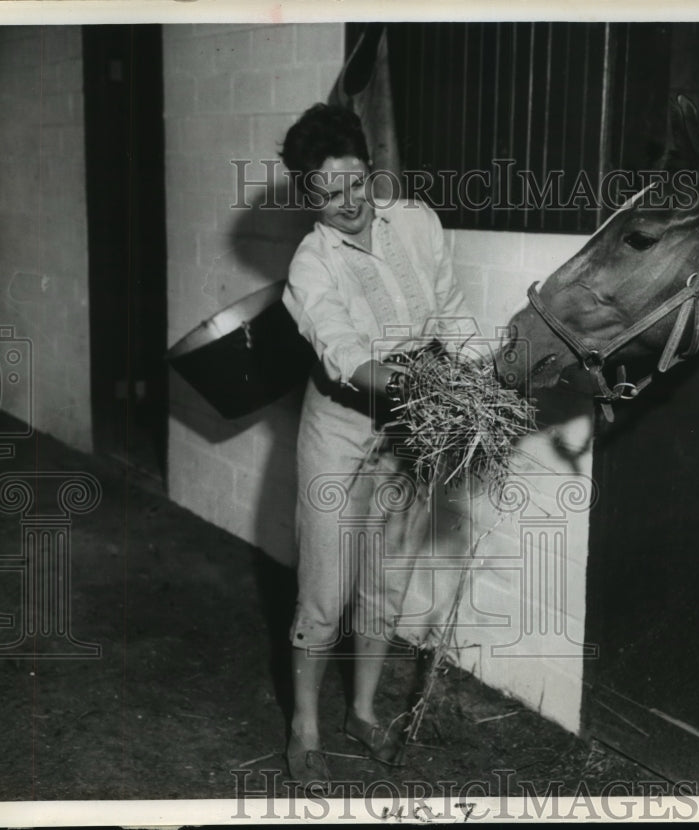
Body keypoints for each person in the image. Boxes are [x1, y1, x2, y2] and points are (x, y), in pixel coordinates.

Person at [279, 103, 474, 789]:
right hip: (340, 425)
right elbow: (348, 356)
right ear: (308, 195)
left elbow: (449, 311)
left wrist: (468, 372)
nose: (348, 204)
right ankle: (304, 727)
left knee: (386, 579)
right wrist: (431, 389)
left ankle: (361, 710)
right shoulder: (309, 267)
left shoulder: (417, 222)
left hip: (409, 429)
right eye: (328, 195)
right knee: (325, 590)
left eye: (356, 184)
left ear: (371, 170)